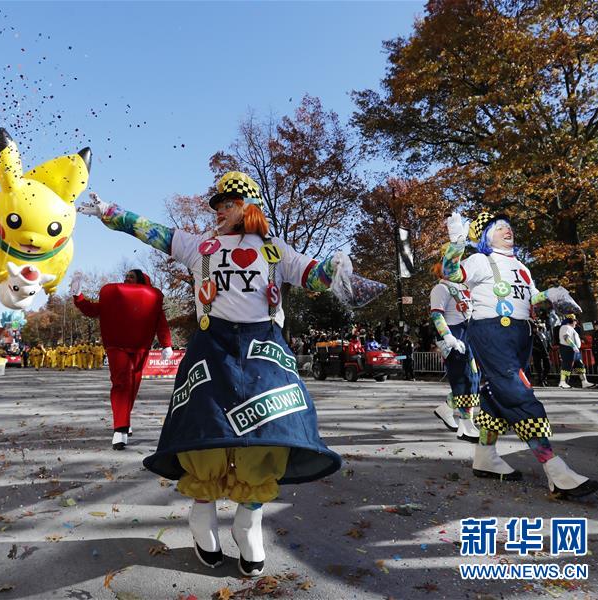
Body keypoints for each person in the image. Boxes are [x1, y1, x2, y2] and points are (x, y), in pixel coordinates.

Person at [77, 171, 385, 576]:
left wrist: (337, 266)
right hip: (211, 350)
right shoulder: (199, 246)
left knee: (268, 434)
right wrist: (108, 212)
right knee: (203, 436)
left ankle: (249, 521)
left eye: (228, 204)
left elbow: (314, 275)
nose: (220, 211)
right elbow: (152, 231)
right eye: (218, 205)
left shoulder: (275, 249)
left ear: (247, 208)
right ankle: (201, 517)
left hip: (264, 351)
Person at [442, 210, 598, 500]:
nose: (507, 230)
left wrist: (552, 295)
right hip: (491, 331)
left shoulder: (522, 267)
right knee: (517, 393)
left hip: (521, 335)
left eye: (508, 226)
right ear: (486, 236)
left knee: (494, 394)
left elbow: (532, 299)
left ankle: (485, 456)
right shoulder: (480, 260)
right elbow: (452, 274)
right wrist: (455, 243)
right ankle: (554, 468)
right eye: (499, 227)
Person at [72, 268, 173, 450]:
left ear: (141, 281)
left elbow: (161, 321)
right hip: (116, 345)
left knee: (133, 384)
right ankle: (120, 429)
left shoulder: (152, 300)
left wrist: (167, 344)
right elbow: (92, 310)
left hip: (140, 346)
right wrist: (78, 296)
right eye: (126, 276)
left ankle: (124, 418)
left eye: (131, 277)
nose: (127, 279)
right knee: (120, 383)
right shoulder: (114, 298)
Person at [429, 253, 480, 442]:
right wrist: (448, 336)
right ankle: (467, 425)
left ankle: (446, 409)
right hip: (454, 336)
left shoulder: (464, 287)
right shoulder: (440, 288)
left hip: (469, 333)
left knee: (474, 377)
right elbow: (436, 315)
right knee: (463, 378)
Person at [557, 315, 594, 389]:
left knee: (580, 365)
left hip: (574, 350)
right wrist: (573, 346)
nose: (576, 323)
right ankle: (563, 382)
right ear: (571, 321)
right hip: (568, 349)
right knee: (567, 366)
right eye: (575, 321)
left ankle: (584, 382)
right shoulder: (565, 327)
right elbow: (566, 337)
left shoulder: (570, 328)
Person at [530, 320, 552, 386]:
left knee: (548, 366)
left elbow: (547, 342)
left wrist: (549, 348)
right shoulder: (531, 336)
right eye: (535, 327)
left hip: (545, 353)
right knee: (539, 369)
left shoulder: (542, 333)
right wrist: (538, 350)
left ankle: (543, 379)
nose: (536, 328)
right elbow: (531, 345)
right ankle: (541, 381)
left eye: (537, 327)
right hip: (537, 353)